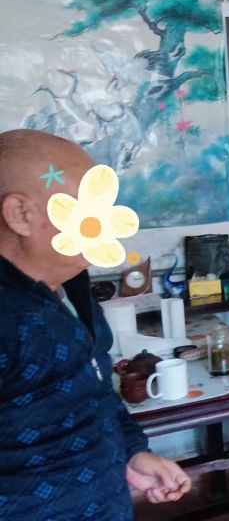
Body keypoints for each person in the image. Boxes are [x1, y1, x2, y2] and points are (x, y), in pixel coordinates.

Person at [0, 130, 191, 519]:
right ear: (20, 214)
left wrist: (132, 453)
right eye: (88, 207)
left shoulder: (72, 286)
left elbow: (95, 386)